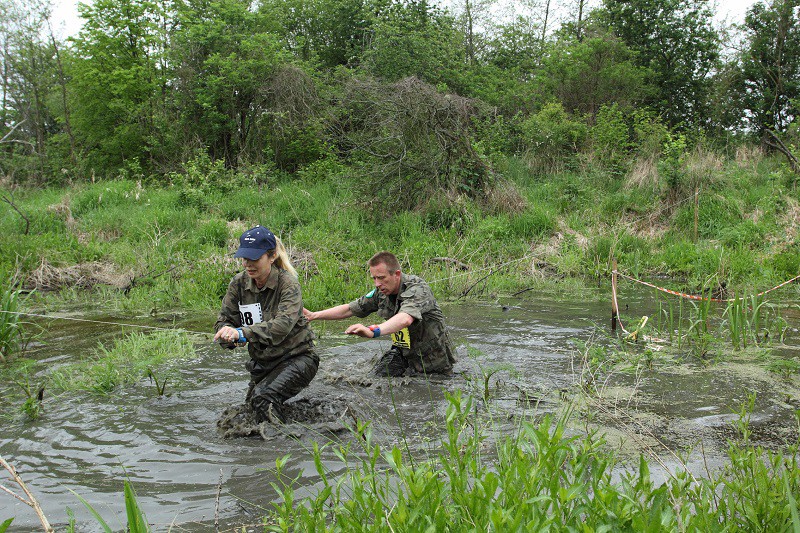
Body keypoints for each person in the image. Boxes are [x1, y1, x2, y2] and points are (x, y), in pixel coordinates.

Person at [214, 225, 318, 424]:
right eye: (244, 258)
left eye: (254, 259)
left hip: (298, 358)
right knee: (251, 412)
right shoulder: (238, 284)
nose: (247, 264)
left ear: (271, 256)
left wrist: (242, 333)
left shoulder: (288, 284)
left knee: (263, 399)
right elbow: (224, 320)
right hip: (263, 364)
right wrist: (226, 334)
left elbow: (281, 326)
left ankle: (280, 446)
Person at [304, 251, 456, 377]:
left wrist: (373, 331)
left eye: (381, 278)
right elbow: (351, 308)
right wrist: (314, 315)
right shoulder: (381, 292)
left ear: (396, 274)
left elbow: (405, 319)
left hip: (434, 361)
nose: (377, 284)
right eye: (374, 278)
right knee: (377, 379)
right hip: (403, 354)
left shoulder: (418, 289)